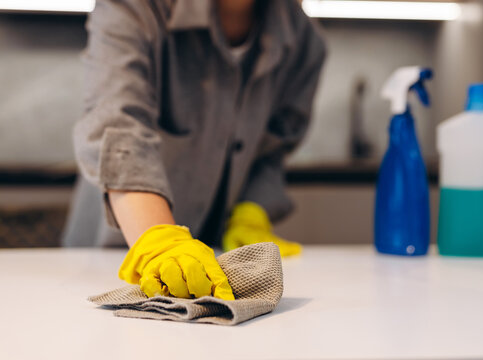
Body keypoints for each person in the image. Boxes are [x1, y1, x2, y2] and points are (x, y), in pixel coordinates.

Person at [62, 0, 326, 300]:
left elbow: (273, 147)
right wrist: (160, 243)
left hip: (214, 262)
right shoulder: (135, 7)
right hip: (107, 259)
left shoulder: (304, 40)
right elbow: (117, 124)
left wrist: (251, 211)